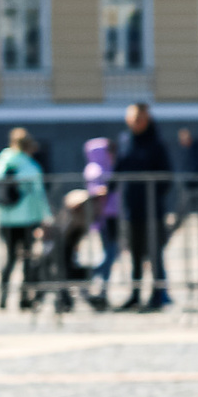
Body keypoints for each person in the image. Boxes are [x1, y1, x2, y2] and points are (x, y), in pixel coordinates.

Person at [114, 104, 171, 311]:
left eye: (139, 118)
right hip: (132, 207)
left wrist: (154, 195)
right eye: (132, 118)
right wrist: (109, 186)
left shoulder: (156, 143)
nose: (135, 122)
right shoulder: (125, 140)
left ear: (146, 119)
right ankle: (135, 294)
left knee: (154, 254)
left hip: (152, 209)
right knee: (136, 255)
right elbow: (119, 167)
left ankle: (158, 295)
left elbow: (166, 177)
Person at [0, 127, 48, 310]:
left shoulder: (0, 163)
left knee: (10, 257)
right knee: (28, 257)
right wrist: (46, 217)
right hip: (26, 218)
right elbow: (39, 194)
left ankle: (3, 297)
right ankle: (24, 298)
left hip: (5, 219)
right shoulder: (29, 166)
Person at [81, 135, 122, 306]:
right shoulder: (96, 168)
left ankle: (101, 286)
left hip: (112, 213)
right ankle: (90, 276)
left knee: (112, 252)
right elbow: (97, 190)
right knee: (112, 251)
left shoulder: (104, 166)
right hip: (106, 215)